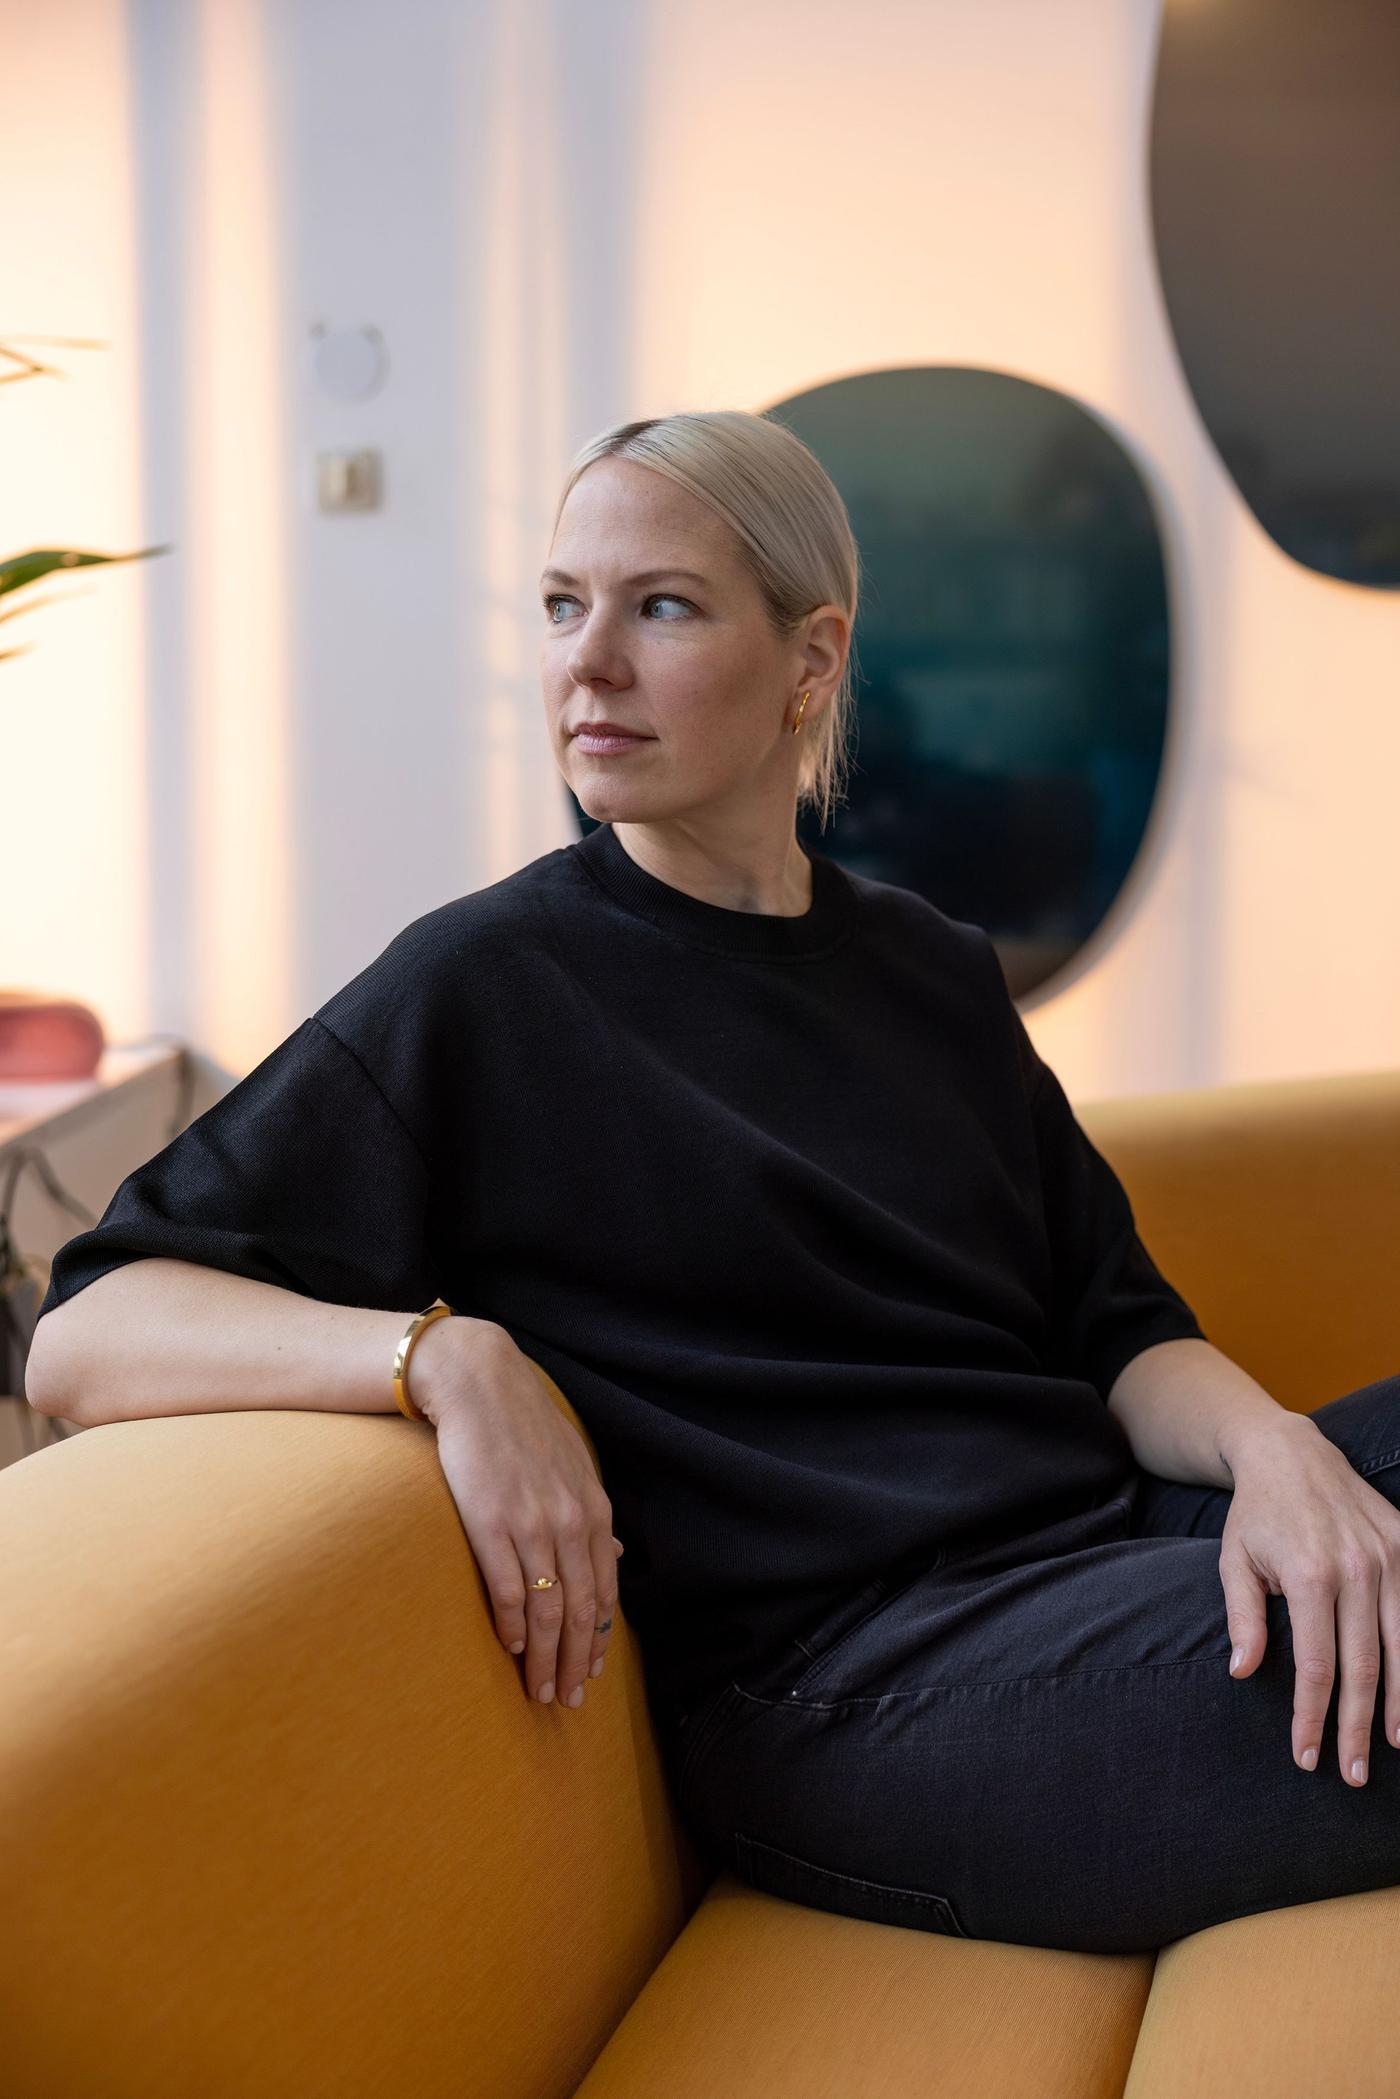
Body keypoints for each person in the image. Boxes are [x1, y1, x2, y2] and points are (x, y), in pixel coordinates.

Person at [25, 409, 1400, 1956]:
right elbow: (83, 1331)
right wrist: (441, 1356)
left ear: (811, 660)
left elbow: (1119, 1330)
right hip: (863, 1686)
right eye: (561, 604)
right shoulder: (487, 986)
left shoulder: (929, 969)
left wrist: (1281, 1457)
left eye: (658, 606)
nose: (585, 663)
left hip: (1107, 1538)